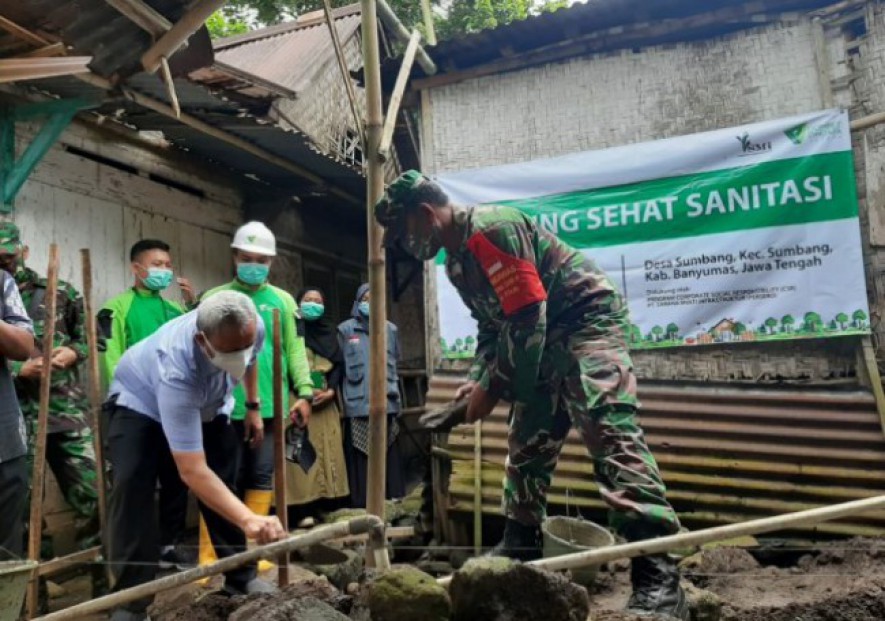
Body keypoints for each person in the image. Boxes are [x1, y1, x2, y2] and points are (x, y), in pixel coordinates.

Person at [374, 170, 689, 621]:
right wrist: (478, 377)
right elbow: (492, 328)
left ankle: (658, 574)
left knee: (608, 428)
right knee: (528, 440)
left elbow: (525, 316)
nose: (403, 243)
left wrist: (489, 390)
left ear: (426, 214)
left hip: (584, 323)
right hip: (538, 334)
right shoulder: (458, 262)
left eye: (403, 230)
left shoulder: (493, 228)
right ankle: (521, 545)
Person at [105, 290, 286, 621]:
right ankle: (131, 602)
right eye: (232, 351)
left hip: (210, 406)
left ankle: (241, 578)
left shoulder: (250, 325)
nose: (242, 357)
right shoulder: (176, 367)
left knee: (224, 482)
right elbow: (192, 471)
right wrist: (249, 519)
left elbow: (253, 357)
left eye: (245, 346)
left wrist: (253, 404)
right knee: (132, 487)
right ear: (204, 342)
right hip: (140, 404)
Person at [199, 222, 313, 571]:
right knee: (222, 479)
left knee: (261, 476)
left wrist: (305, 391)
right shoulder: (213, 299)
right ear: (234, 257)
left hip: (272, 404)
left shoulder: (283, 300)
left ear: (272, 262)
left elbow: (294, 349)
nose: (254, 264)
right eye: (246, 258)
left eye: (261, 259)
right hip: (223, 408)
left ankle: (253, 551)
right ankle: (212, 556)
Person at [0, 224, 99, 558]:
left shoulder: (59, 291)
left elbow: (89, 337)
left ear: (23, 252)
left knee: (95, 495)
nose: (5, 263)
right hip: (17, 420)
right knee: (23, 510)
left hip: (66, 413)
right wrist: (18, 368)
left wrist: (72, 352)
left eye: (9, 256)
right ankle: (31, 596)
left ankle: (102, 583)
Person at [98, 239, 196, 571]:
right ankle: (135, 553)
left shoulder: (175, 311)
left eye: (168, 265)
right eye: (157, 265)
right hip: (134, 407)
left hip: (174, 407)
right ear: (136, 268)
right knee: (133, 477)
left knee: (177, 476)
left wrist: (192, 304)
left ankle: (170, 545)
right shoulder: (116, 308)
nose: (164, 271)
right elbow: (111, 357)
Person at [338, 284, 406, 507]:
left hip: (388, 398)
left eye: (374, 298)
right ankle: (363, 503)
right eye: (365, 298)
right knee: (360, 451)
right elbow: (339, 366)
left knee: (389, 446)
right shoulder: (345, 330)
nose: (370, 302)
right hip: (358, 401)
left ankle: (392, 497)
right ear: (357, 302)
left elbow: (396, 359)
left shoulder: (390, 330)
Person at [285, 288, 349, 520]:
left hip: (326, 404)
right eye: (308, 300)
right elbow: (286, 363)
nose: (313, 304)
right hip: (299, 401)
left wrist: (331, 390)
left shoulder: (329, 333)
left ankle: (328, 504)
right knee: (300, 451)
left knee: (328, 451)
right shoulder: (291, 331)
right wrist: (303, 392)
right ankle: (302, 508)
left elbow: (339, 364)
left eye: (318, 301)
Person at [0, 256, 35, 560]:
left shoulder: (1, 282)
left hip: (4, 445)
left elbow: (23, 346)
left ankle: (10, 608)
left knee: (6, 554)